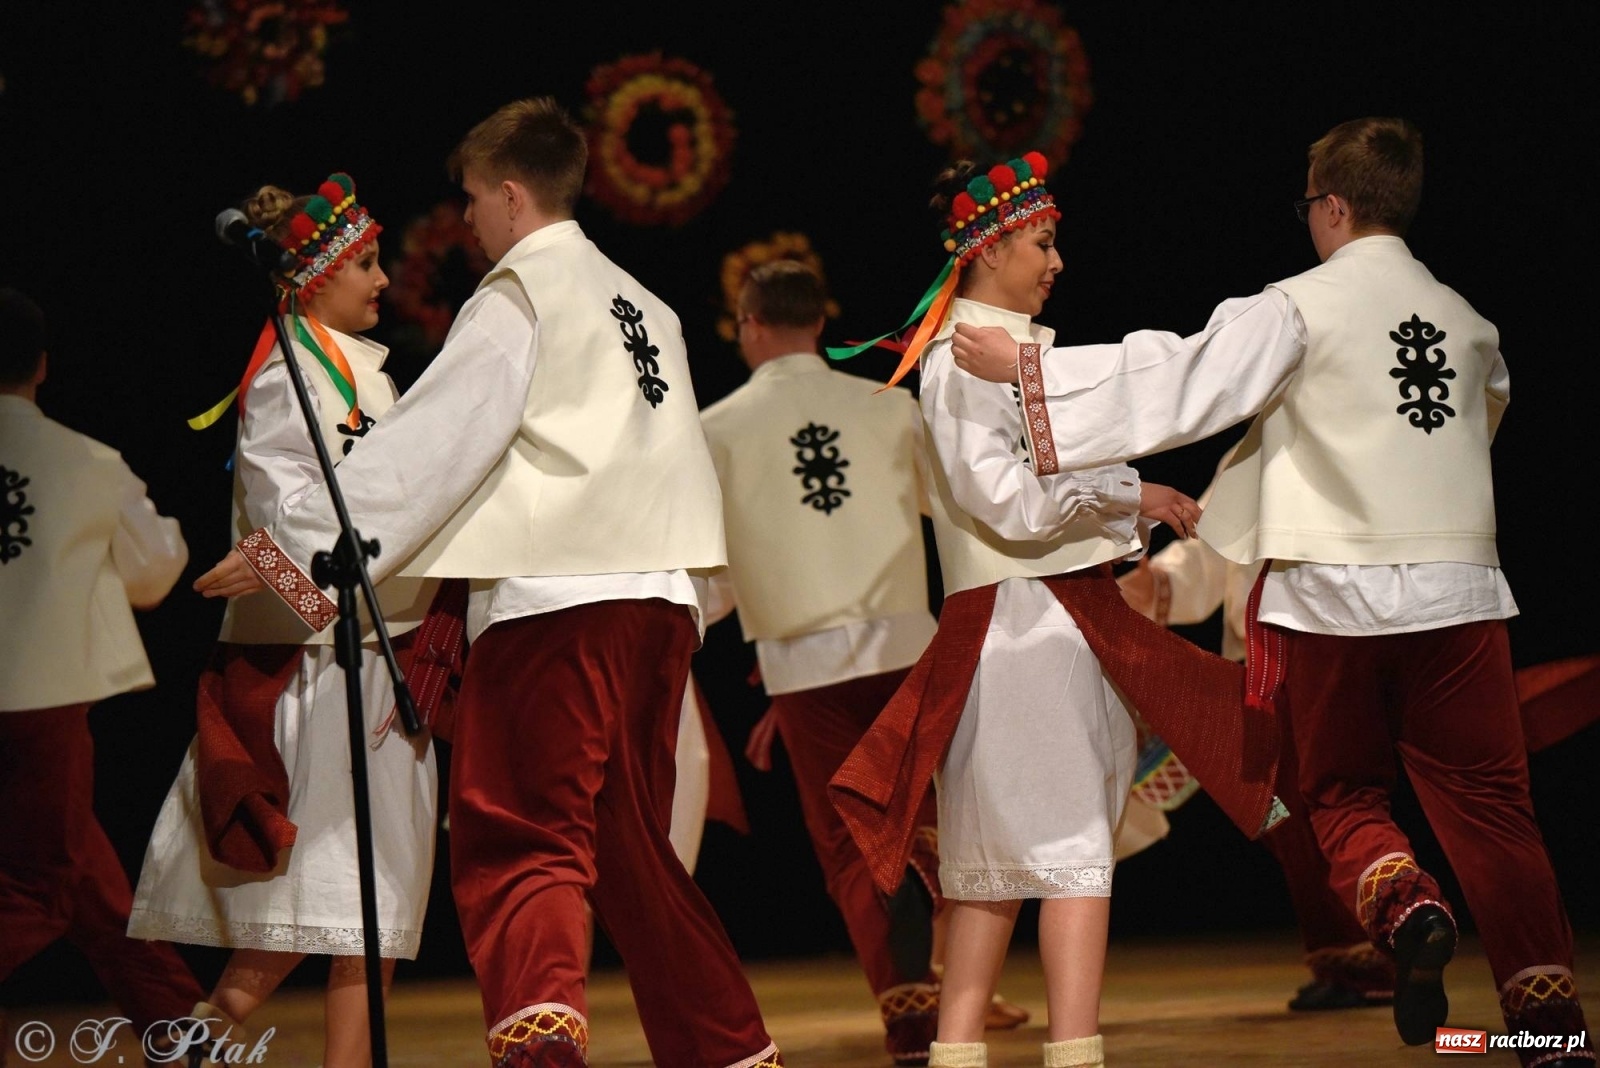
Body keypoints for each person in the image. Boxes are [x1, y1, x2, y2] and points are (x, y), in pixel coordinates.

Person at [949, 117, 1593, 1065]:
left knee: (1334, 789)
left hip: (1335, 594)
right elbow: (1473, 427)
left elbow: (1183, 377)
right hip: (1463, 593)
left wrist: (1033, 370)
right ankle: (1547, 1022)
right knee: (1493, 806)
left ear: (1332, 207)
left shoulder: (1298, 306)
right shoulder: (1470, 322)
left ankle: (1404, 899)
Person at [194, 97, 783, 1068]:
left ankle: (539, 1050)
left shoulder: (521, 296)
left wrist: (287, 545)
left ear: (511, 194)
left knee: (520, 841)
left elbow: (432, 451)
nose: (466, 218)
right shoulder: (653, 306)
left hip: (556, 601)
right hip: (659, 609)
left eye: (470, 198)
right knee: (636, 856)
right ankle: (729, 1048)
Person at [829, 152, 1284, 1068]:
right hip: (1026, 629)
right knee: (1068, 858)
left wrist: (1126, 494)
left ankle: (967, 1050)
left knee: (992, 869)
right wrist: (1126, 491)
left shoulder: (1000, 353)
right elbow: (1006, 501)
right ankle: (1074, 1051)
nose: (1056, 261)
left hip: (1034, 624)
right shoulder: (968, 360)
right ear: (990, 246)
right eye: (1042, 242)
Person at [125, 175, 440, 1068]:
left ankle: (201, 1036)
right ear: (311, 277)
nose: (382, 280)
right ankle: (211, 1033)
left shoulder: (367, 382)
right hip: (328, 663)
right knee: (355, 902)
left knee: (355, 904)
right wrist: (320, 600)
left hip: (377, 655)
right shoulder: (284, 377)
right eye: (366, 264)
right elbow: (277, 518)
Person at [699, 258, 946, 1064]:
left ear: (751, 322)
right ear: (819, 320)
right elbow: (955, 511)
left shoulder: (718, 427)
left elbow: (715, 572)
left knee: (851, 844)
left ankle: (912, 1009)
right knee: (926, 823)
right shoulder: (890, 402)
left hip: (803, 661)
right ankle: (957, 984)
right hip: (906, 641)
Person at [0, 287, 206, 1056]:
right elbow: (154, 572)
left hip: (37, 703)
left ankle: (180, 1028)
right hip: (42, 700)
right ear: (43, 367)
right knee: (39, 886)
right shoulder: (88, 462)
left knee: (84, 878)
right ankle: (182, 1029)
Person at [1117, 442, 1396, 1013]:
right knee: (1282, 813)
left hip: (1327, 641)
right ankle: (1350, 954)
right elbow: (1216, 543)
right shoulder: (1259, 443)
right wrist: (1157, 584)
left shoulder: (1349, 432)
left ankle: (1379, 945)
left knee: (1332, 806)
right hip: (1260, 661)